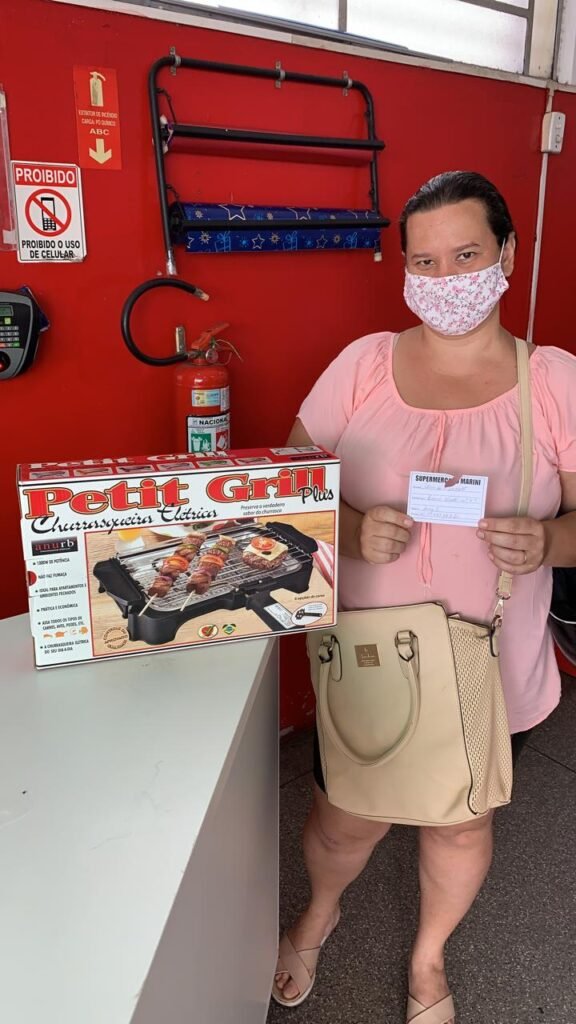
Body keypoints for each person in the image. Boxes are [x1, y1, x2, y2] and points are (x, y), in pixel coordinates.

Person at [272, 170, 576, 1024]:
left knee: (459, 824)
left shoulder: (555, 382)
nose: (446, 280)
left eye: (466, 255)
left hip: (489, 658)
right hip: (371, 655)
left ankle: (428, 958)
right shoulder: (363, 365)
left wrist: (550, 542)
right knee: (346, 816)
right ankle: (319, 914)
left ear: (507, 254)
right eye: (425, 261)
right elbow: (286, 486)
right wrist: (350, 525)